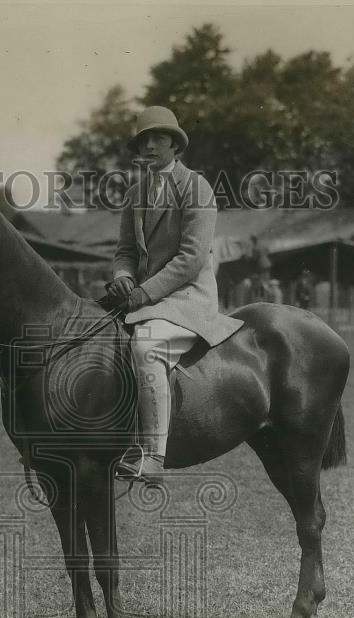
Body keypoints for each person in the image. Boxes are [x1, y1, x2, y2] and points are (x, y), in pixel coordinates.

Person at [106, 106, 242, 484]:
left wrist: (144, 292)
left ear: (175, 144)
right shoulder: (136, 192)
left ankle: (153, 457)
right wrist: (122, 278)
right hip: (147, 300)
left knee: (146, 346)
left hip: (188, 300)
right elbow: (125, 252)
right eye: (143, 140)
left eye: (158, 138)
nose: (149, 146)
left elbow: (192, 258)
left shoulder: (196, 187)